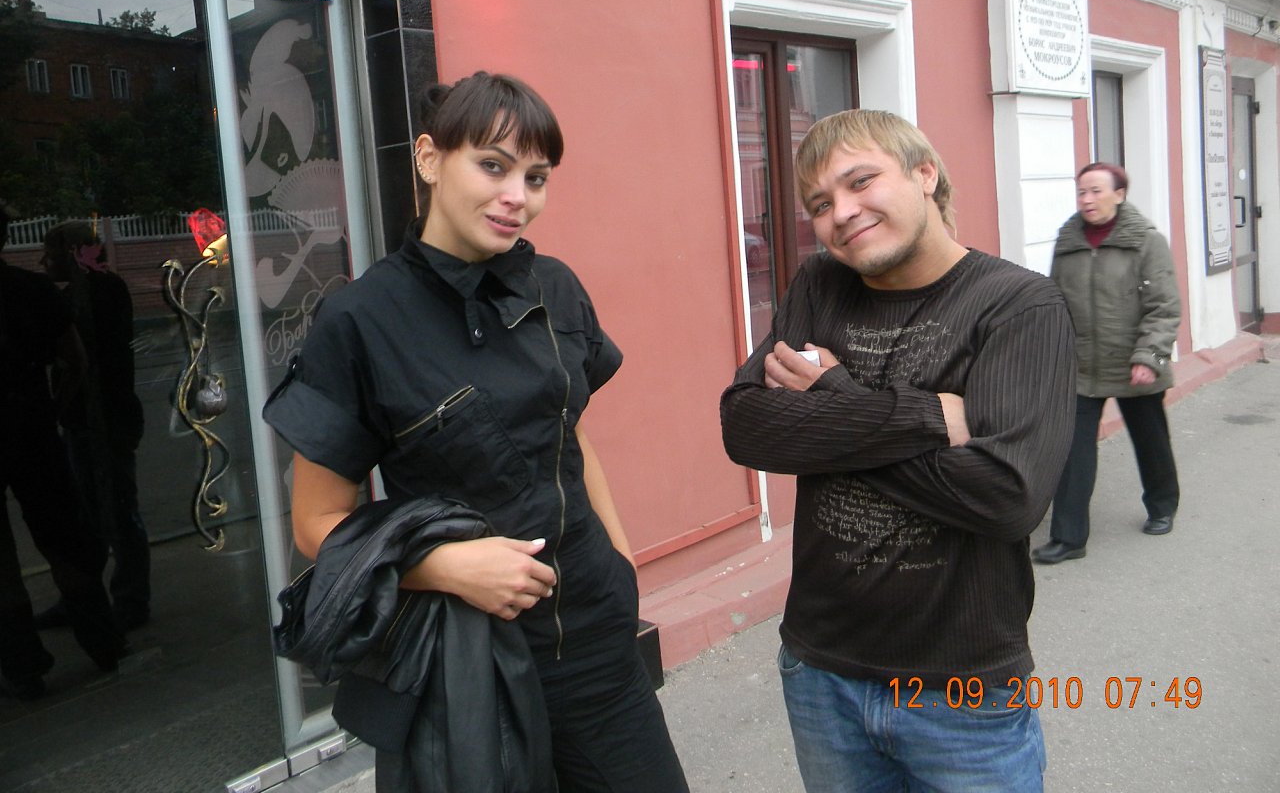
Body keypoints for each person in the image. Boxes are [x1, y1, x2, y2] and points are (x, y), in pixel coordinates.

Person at [263, 71, 688, 792]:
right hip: (466, 664)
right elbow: (315, 524)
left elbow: (572, 441)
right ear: (430, 159)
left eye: (536, 177)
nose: (517, 195)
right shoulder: (361, 320)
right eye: (493, 166)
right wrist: (447, 567)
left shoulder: (554, 288)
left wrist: (621, 567)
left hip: (596, 642)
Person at [719, 110, 1075, 792]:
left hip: (962, 688)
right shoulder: (820, 285)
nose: (842, 213)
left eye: (860, 182)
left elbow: (1007, 496)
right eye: (820, 203)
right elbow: (747, 427)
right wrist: (929, 415)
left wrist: (831, 400)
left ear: (924, 174)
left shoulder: (1016, 306)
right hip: (821, 669)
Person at [0, 203, 126, 700]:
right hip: (31, 426)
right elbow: (74, 360)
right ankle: (101, 641)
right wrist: (50, 407)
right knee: (64, 539)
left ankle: (23, 666)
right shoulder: (31, 290)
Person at [1032, 163, 1181, 565]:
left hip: (1134, 362)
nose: (1087, 199)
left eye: (1096, 191)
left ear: (1119, 194)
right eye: (1082, 191)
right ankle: (1068, 538)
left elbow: (1164, 306)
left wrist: (1149, 357)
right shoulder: (1068, 241)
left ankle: (1162, 505)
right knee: (1072, 451)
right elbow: (1055, 301)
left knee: (1150, 441)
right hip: (1081, 366)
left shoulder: (1146, 241)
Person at [35, 221, 150, 630]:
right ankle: (95, 598)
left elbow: (75, 359)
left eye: (51, 254)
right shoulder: (96, 291)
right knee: (94, 514)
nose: (44, 262)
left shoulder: (95, 293)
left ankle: (127, 600)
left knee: (114, 511)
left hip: (101, 419)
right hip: (96, 418)